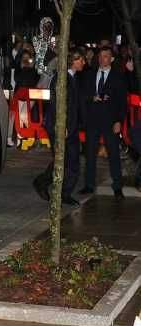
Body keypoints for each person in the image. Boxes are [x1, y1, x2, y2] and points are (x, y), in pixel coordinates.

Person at [33, 48, 86, 208]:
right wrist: (61, 126)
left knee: (73, 161)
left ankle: (65, 193)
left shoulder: (74, 78)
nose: (84, 62)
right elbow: (57, 104)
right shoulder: (61, 78)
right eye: (81, 59)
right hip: (60, 126)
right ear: (73, 61)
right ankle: (42, 182)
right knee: (61, 160)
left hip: (71, 127)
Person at [79, 46, 127, 200]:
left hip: (110, 121)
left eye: (105, 56)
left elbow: (122, 102)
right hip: (92, 120)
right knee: (90, 154)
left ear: (111, 59)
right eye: (100, 56)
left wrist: (119, 121)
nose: (101, 59)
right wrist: (91, 98)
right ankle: (89, 185)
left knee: (113, 154)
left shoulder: (118, 77)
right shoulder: (90, 74)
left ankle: (117, 186)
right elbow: (83, 94)